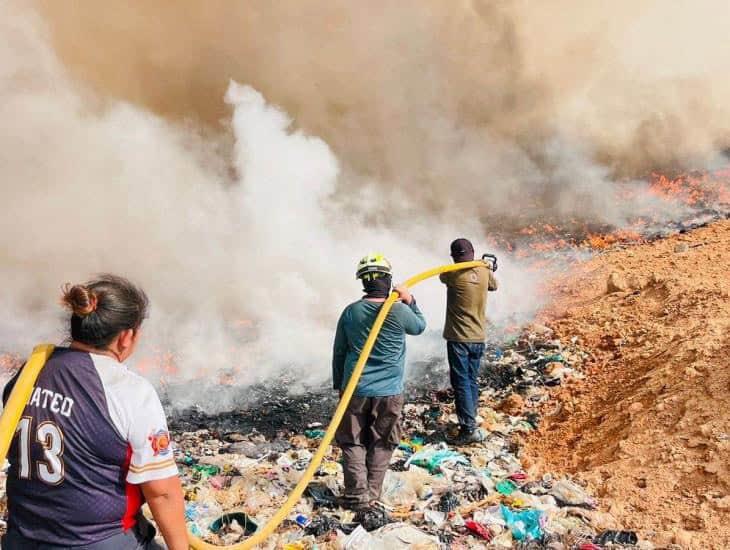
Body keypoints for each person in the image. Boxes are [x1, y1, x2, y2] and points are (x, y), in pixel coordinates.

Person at [1, 275, 188, 550]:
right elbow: (162, 492)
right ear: (126, 337)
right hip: (97, 542)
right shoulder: (129, 390)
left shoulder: (29, 373)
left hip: (22, 539)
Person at [332, 253, 426, 509]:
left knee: (352, 441)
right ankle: (372, 494)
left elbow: (340, 351)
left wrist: (340, 386)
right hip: (389, 391)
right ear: (388, 279)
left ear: (363, 282)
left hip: (356, 389)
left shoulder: (351, 312)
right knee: (382, 441)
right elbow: (419, 326)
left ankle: (356, 494)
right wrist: (410, 300)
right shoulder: (398, 310)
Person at [439, 238, 498, 444]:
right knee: (471, 380)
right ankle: (471, 418)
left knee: (461, 382)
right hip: (478, 337)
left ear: (454, 257)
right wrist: (485, 266)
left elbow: (441, 277)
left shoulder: (453, 273)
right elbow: (494, 285)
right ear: (473, 252)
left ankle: (468, 428)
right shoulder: (483, 271)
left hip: (459, 338)